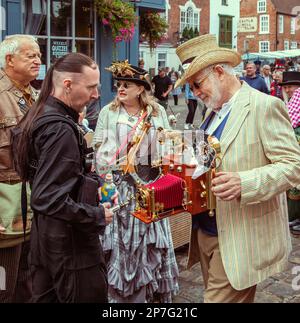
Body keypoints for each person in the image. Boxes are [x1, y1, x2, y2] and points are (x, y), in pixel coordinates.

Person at [175, 34, 300, 303]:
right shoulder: (212, 112)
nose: (194, 93)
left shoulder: (264, 106)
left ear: (219, 71)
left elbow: (293, 166)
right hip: (206, 233)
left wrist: (244, 183)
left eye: (197, 84)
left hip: (241, 237)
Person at [16, 53, 113, 303]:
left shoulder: (39, 114)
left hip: (44, 238)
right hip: (69, 243)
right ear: (67, 85)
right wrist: (97, 215)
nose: (96, 95)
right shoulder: (59, 128)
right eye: (91, 87)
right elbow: (47, 197)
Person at [93, 60, 179, 303]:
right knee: (120, 243)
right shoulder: (108, 112)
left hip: (149, 186)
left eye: (127, 85)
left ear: (141, 88)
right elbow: (98, 148)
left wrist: (159, 151)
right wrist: (108, 174)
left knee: (148, 243)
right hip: (119, 186)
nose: (120, 89)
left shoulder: (157, 112)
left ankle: (148, 294)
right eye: (119, 84)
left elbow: (168, 145)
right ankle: (121, 297)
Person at [0, 34, 41, 303]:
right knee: (4, 285)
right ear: (9, 59)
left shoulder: (36, 94)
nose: (39, 60)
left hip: (32, 206)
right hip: (5, 213)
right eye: (31, 56)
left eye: (39, 55)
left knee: (28, 283)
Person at [279, 71, 300, 233]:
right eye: (286, 87)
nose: (288, 90)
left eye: (291, 86)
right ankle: (295, 218)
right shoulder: (291, 102)